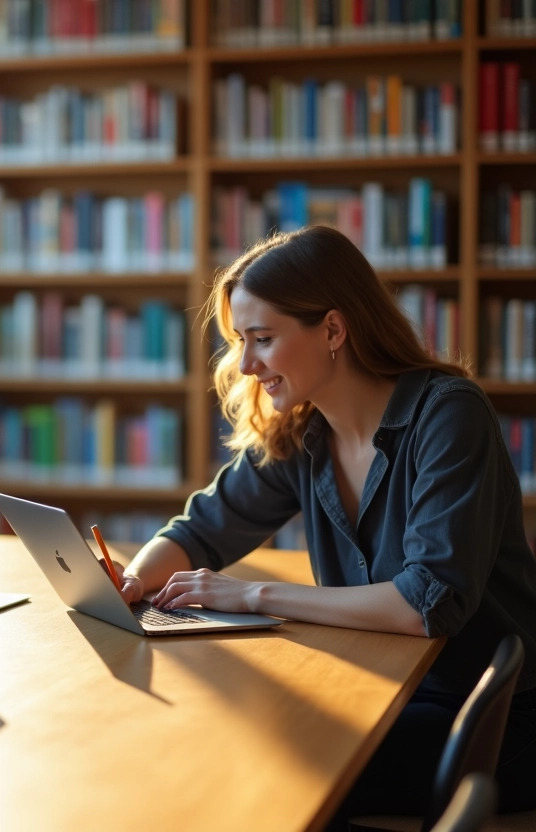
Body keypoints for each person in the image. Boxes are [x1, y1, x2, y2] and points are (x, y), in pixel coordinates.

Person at [115, 225, 536, 823]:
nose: (246, 363)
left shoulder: (448, 416)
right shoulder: (303, 433)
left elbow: (425, 604)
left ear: (333, 330)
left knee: (269, 769)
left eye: (262, 338)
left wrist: (253, 595)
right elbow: (199, 529)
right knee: (229, 737)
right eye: (240, 340)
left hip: (490, 718)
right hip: (390, 690)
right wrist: (129, 583)